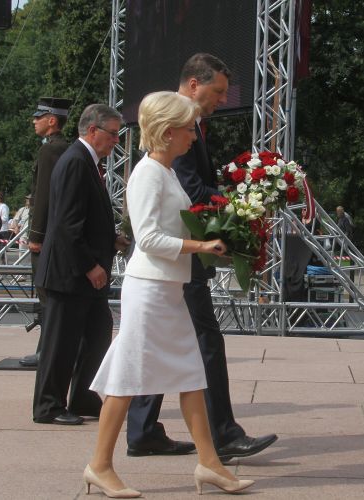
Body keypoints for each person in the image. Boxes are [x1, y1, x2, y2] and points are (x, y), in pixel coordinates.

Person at [85, 91, 253, 498]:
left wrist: (210, 237)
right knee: (128, 378)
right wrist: (203, 245)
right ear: (167, 131)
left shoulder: (164, 171)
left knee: (191, 374)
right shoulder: (149, 173)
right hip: (150, 290)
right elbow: (147, 238)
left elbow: (169, 229)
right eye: (188, 129)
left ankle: (209, 463)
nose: (194, 136)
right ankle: (99, 465)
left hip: (165, 288)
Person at [127, 53, 278, 461]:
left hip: (173, 266)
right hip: (172, 264)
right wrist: (239, 204)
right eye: (218, 91)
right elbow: (190, 194)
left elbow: (190, 189)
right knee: (203, 342)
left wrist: (237, 197)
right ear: (194, 84)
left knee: (163, 346)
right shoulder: (175, 127)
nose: (222, 100)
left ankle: (144, 431)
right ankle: (221, 436)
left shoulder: (185, 127)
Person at [32, 103, 130, 426]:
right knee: (60, 342)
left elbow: (84, 218)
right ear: (92, 130)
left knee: (98, 331)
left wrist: (111, 239)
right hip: (70, 273)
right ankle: (49, 405)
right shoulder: (76, 161)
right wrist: (90, 265)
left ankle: (84, 396)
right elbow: (66, 223)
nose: (116, 140)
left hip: (81, 273)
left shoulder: (85, 161)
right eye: (112, 133)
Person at [20, 97, 72, 368]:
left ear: (52, 120)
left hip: (47, 233)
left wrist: (36, 235)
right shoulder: (63, 147)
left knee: (46, 294)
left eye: (39, 117)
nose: (34, 121)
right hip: (57, 232)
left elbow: (43, 196)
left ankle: (47, 351)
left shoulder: (50, 150)